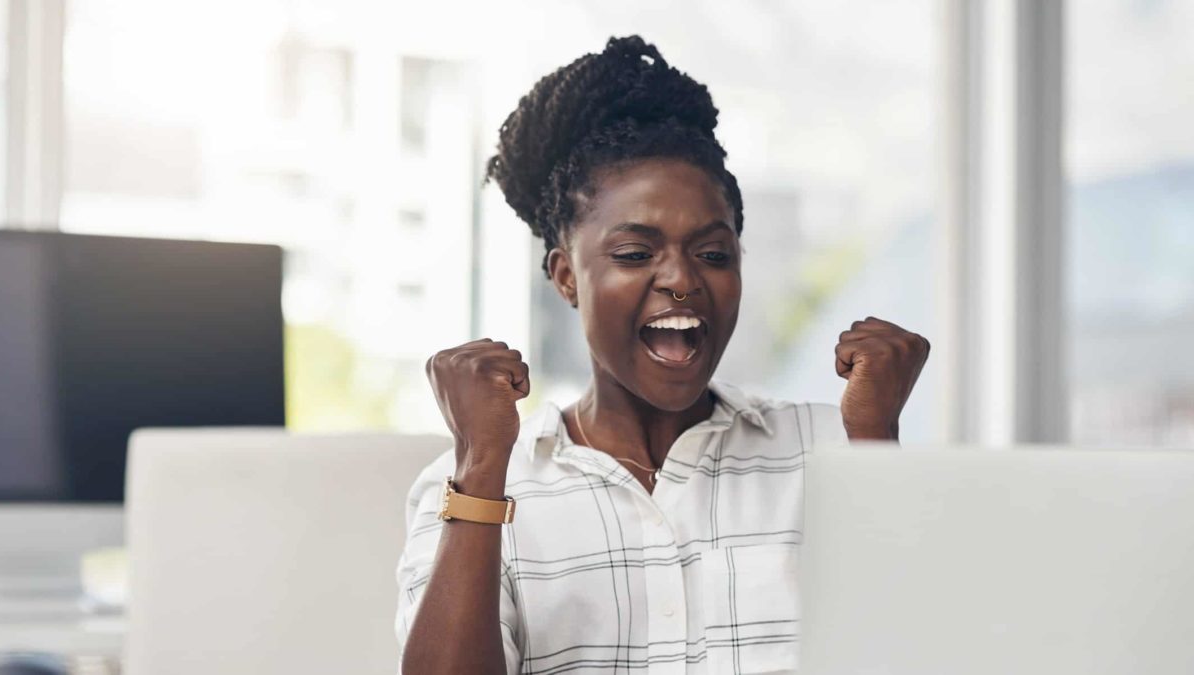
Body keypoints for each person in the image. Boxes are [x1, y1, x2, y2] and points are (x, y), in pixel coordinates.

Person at [397, 35, 929, 675]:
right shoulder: (464, 488)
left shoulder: (833, 446)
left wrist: (874, 445)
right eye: (634, 253)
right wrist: (483, 464)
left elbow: (910, 649)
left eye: (712, 254)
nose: (682, 279)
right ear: (566, 276)